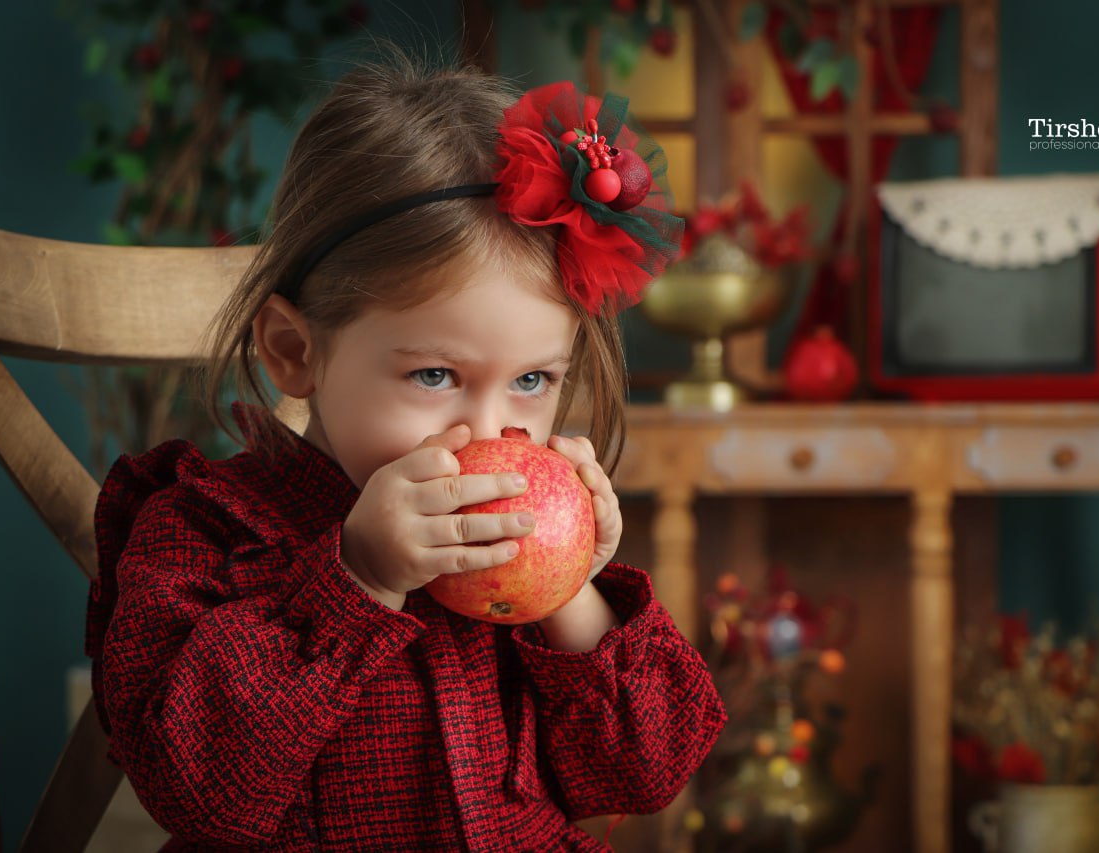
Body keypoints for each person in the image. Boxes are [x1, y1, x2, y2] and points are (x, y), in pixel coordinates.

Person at [84, 51, 726, 851]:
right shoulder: (204, 531)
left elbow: (646, 774)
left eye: (532, 378)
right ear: (294, 351)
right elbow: (199, 792)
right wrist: (359, 578)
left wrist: (573, 592)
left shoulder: (531, 571)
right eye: (434, 374)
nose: (491, 435)